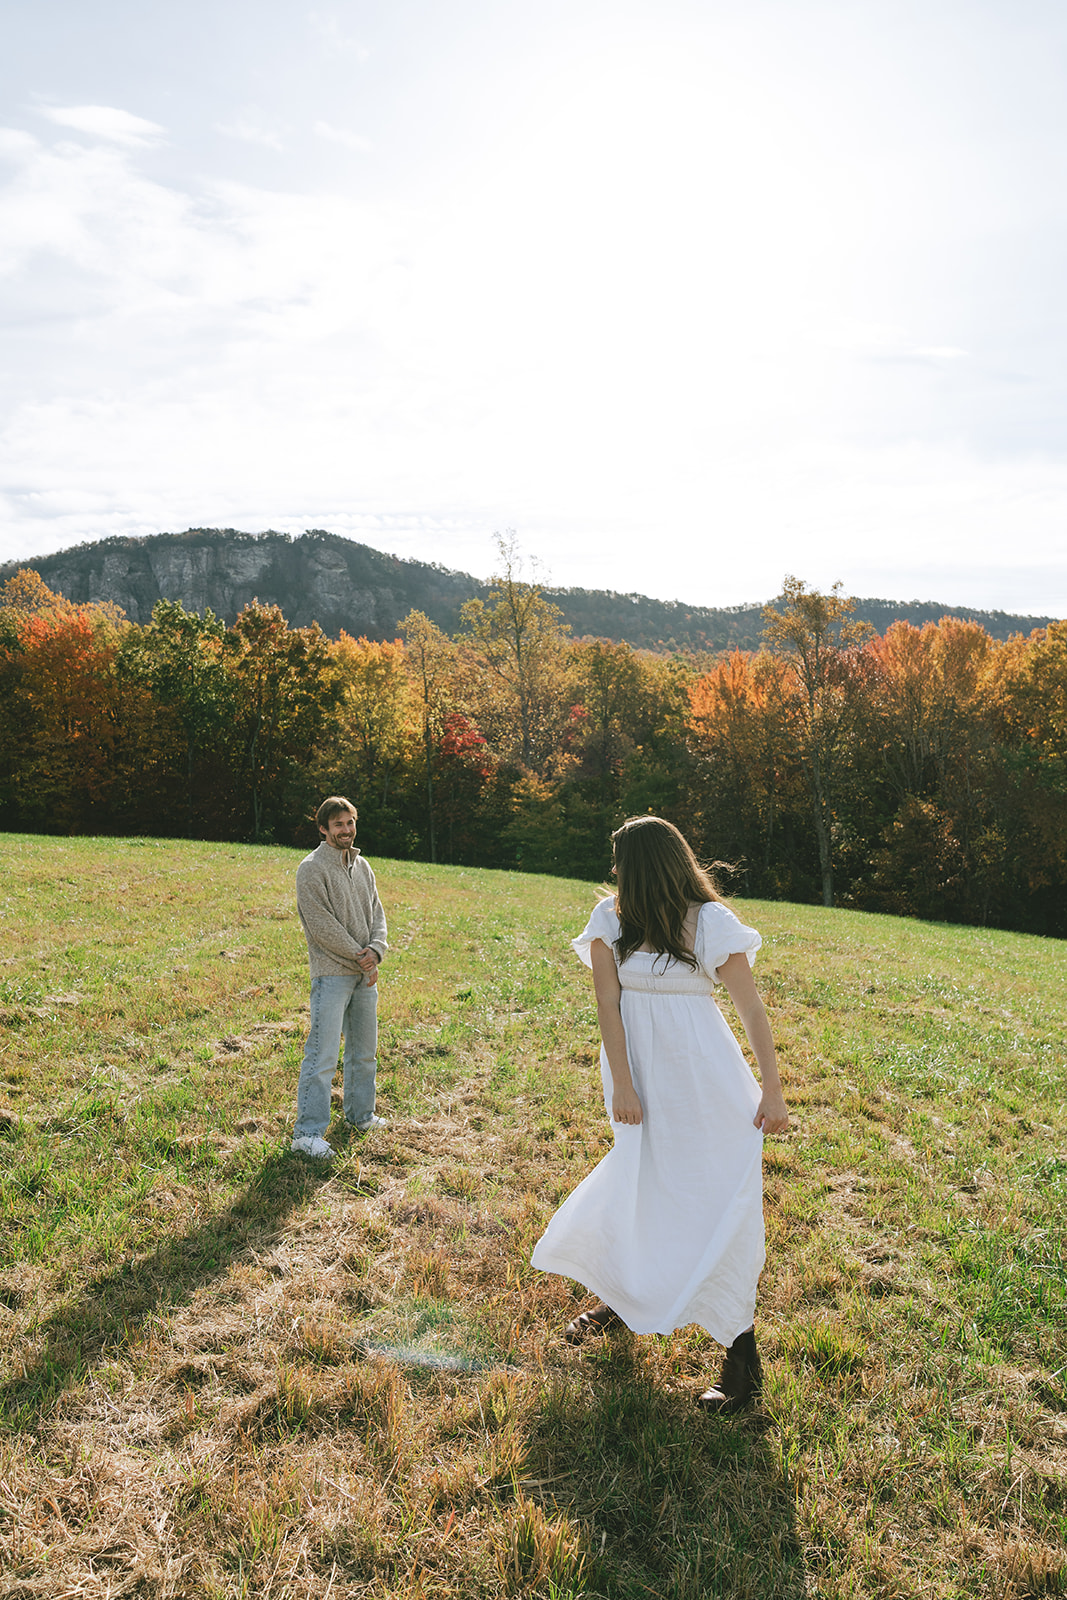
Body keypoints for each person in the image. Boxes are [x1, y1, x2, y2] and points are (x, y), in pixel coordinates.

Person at [531, 814, 789, 1412]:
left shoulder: (709, 924)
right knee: (637, 1183)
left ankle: (740, 1358)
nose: (614, 871)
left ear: (645, 864)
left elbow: (751, 1011)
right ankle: (624, 1299)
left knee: (716, 1201)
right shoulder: (611, 920)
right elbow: (606, 1003)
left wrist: (772, 1091)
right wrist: (623, 1084)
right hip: (638, 1081)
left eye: (621, 860)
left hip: (705, 1084)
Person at [291, 796, 388, 1159]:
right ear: (323, 829)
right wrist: (360, 956)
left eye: (349, 823)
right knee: (322, 1056)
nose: (345, 830)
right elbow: (321, 927)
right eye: (337, 825)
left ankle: (360, 1116)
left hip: (365, 975)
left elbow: (378, 914)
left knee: (364, 1053)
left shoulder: (363, 866)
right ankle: (307, 1134)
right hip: (332, 975)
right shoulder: (311, 868)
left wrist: (376, 951)